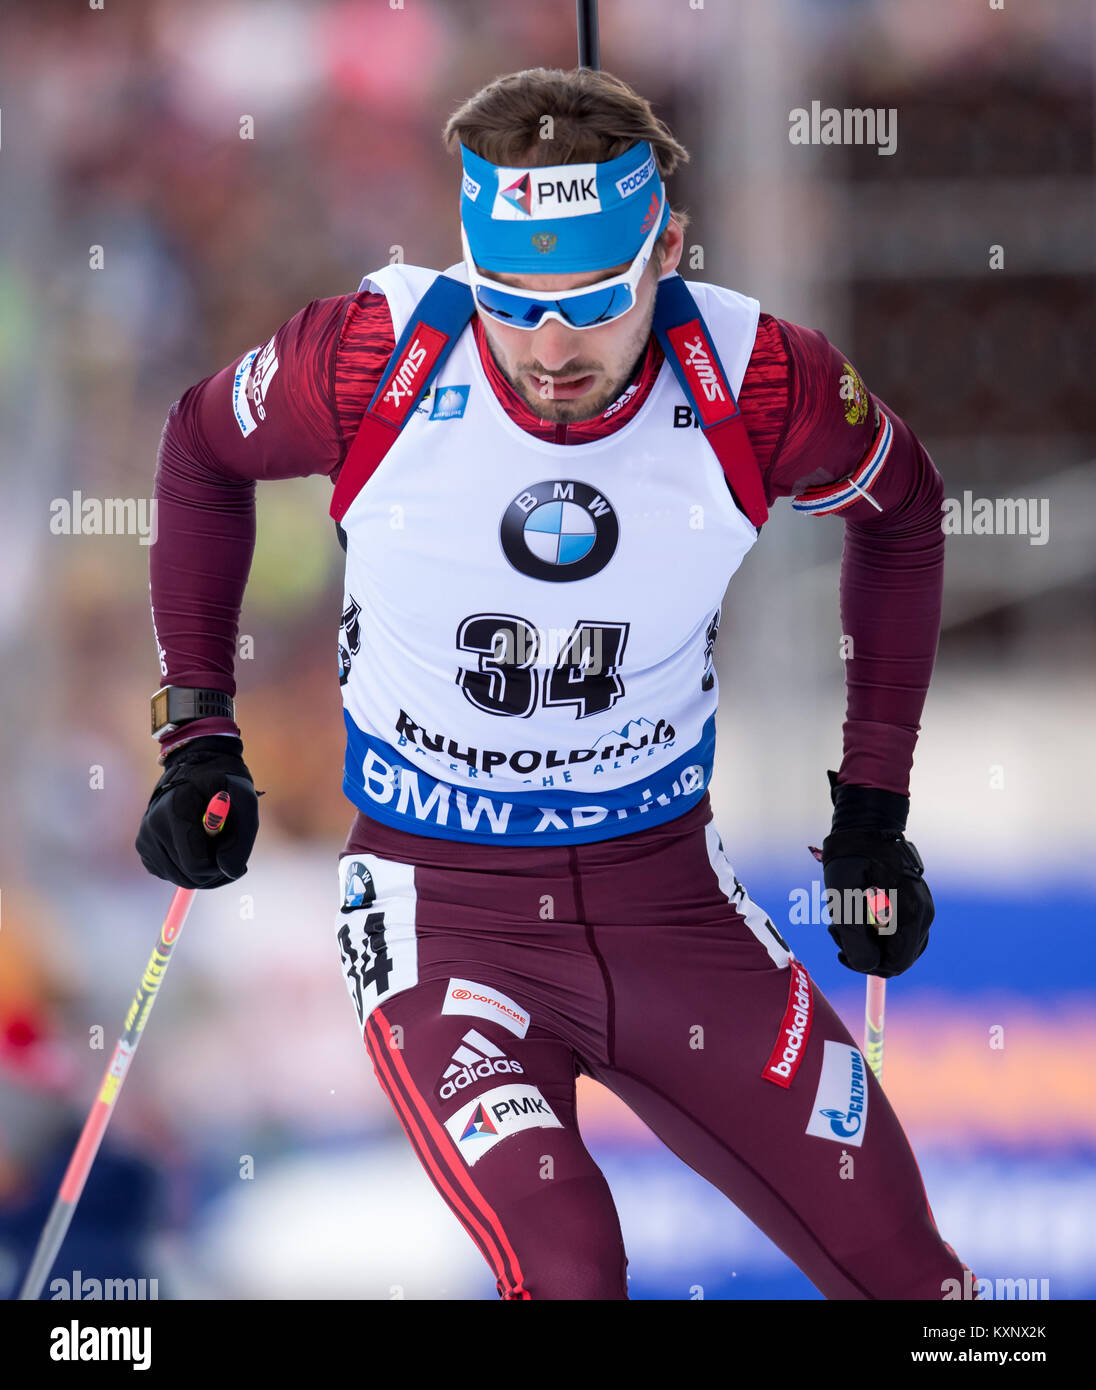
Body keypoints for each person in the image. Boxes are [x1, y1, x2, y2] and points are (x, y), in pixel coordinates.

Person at [136, 67, 971, 1300]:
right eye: (510, 300)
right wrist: (198, 731)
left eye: (591, 298)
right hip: (442, 914)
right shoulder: (378, 353)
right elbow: (201, 446)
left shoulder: (756, 379)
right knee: (568, 1266)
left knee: (918, 1285)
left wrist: (872, 810)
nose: (549, 344)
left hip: (670, 907)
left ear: (667, 249)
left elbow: (904, 513)